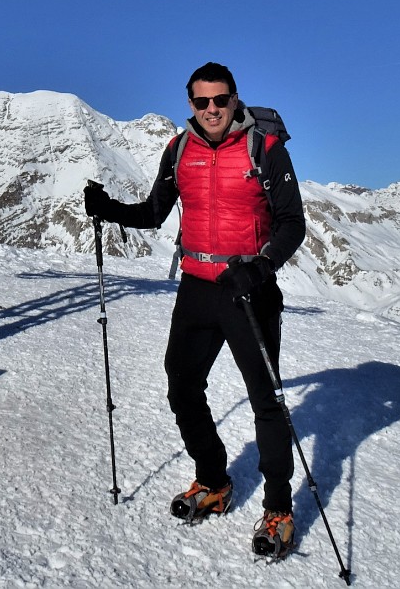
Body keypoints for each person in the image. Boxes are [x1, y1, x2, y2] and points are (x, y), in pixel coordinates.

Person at [84, 62, 306, 558]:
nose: (211, 110)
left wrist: (262, 266)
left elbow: (292, 224)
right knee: (182, 386)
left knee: (265, 400)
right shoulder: (179, 149)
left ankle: (278, 509)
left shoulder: (265, 149)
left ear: (235, 100)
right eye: (201, 102)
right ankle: (213, 479)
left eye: (220, 100)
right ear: (190, 104)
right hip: (197, 287)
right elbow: (153, 212)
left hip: (249, 289)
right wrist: (107, 209)